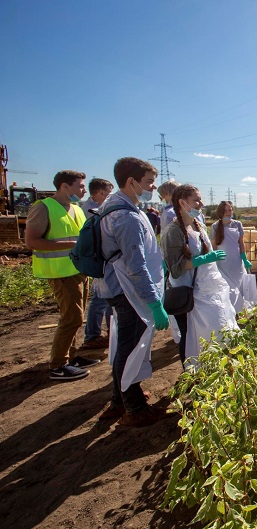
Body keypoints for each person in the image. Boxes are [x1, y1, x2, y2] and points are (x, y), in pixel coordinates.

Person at [94, 157, 170, 426]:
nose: (153, 186)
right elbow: (136, 267)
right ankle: (134, 409)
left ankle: (121, 398)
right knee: (129, 348)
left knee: (126, 346)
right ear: (131, 182)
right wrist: (153, 302)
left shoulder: (124, 209)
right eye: (149, 181)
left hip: (124, 289)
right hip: (128, 291)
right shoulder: (125, 217)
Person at [25, 170, 100, 381]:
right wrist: (74, 244)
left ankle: (71, 357)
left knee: (77, 317)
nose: (84, 190)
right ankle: (58, 365)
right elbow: (32, 242)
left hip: (78, 270)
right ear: (65, 187)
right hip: (60, 272)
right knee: (72, 318)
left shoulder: (75, 209)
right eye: (80, 186)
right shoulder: (43, 208)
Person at [162, 185, 238, 370]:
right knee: (189, 337)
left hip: (206, 290)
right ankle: (193, 375)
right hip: (188, 293)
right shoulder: (173, 231)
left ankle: (210, 370)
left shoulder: (198, 226)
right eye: (196, 200)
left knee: (211, 332)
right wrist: (203, 259)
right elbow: (176, 268)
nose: (201, 204)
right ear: (182, 203)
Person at [79, 177, 115, 351]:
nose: (110, 197)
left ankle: (108, 333)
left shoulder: (92, 208)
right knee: (101, 299)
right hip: (99, 260)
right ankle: (92, 336)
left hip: (101, 259)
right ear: (101, 193)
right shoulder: (91, 210)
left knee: (106, 299)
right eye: (108, 194)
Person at [210, 201, 257, 312]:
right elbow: (214, 246)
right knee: (227, 288)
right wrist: (214, 262)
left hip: (237, 262)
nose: (228, 212)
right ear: (220, 212)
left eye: (230, 210)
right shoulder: (215, 226)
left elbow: (241, 243)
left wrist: (244, 258)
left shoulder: (237, 224)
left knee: (240, 286)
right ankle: (230, 312)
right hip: (223, 263)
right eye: (225, 210)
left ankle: (240, 311)